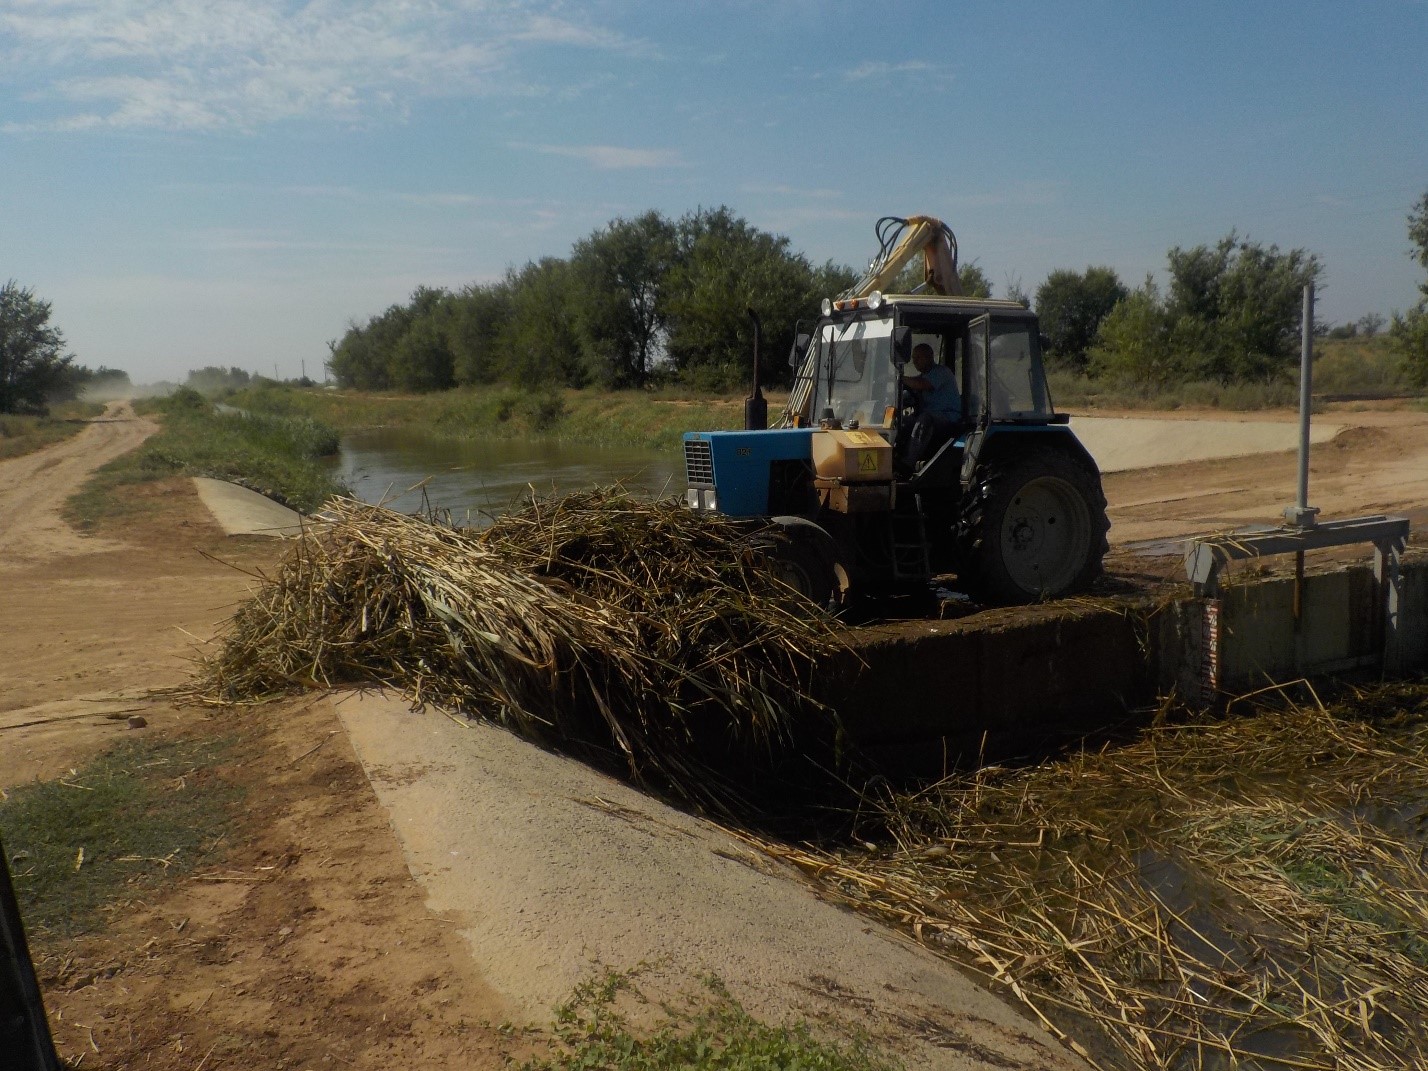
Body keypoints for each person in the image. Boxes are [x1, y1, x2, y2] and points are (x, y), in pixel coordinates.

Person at [902, 342, 960, 467]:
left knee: (924, 419)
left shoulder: (942, 372)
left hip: (948, 418)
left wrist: (900, 378)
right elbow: (914, 390)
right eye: (913, 358)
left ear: (929, 357)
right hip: (932, 417)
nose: (915, 362)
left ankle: (909, 463)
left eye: (918, 357)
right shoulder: (922, 377)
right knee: (903, 421)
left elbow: (922, 385)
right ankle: (896, 458)